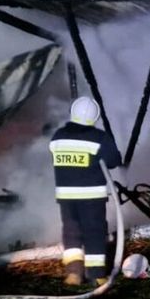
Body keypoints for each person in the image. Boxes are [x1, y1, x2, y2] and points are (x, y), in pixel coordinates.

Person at [50, 96, 122, 286]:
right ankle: (96, 274)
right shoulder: (98, 138)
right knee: (94, 233)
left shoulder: (58, 136)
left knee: (71, 232)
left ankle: (73, 274)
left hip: (66, 197)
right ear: (94, 117)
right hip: (91, 197)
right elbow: (114, 160)